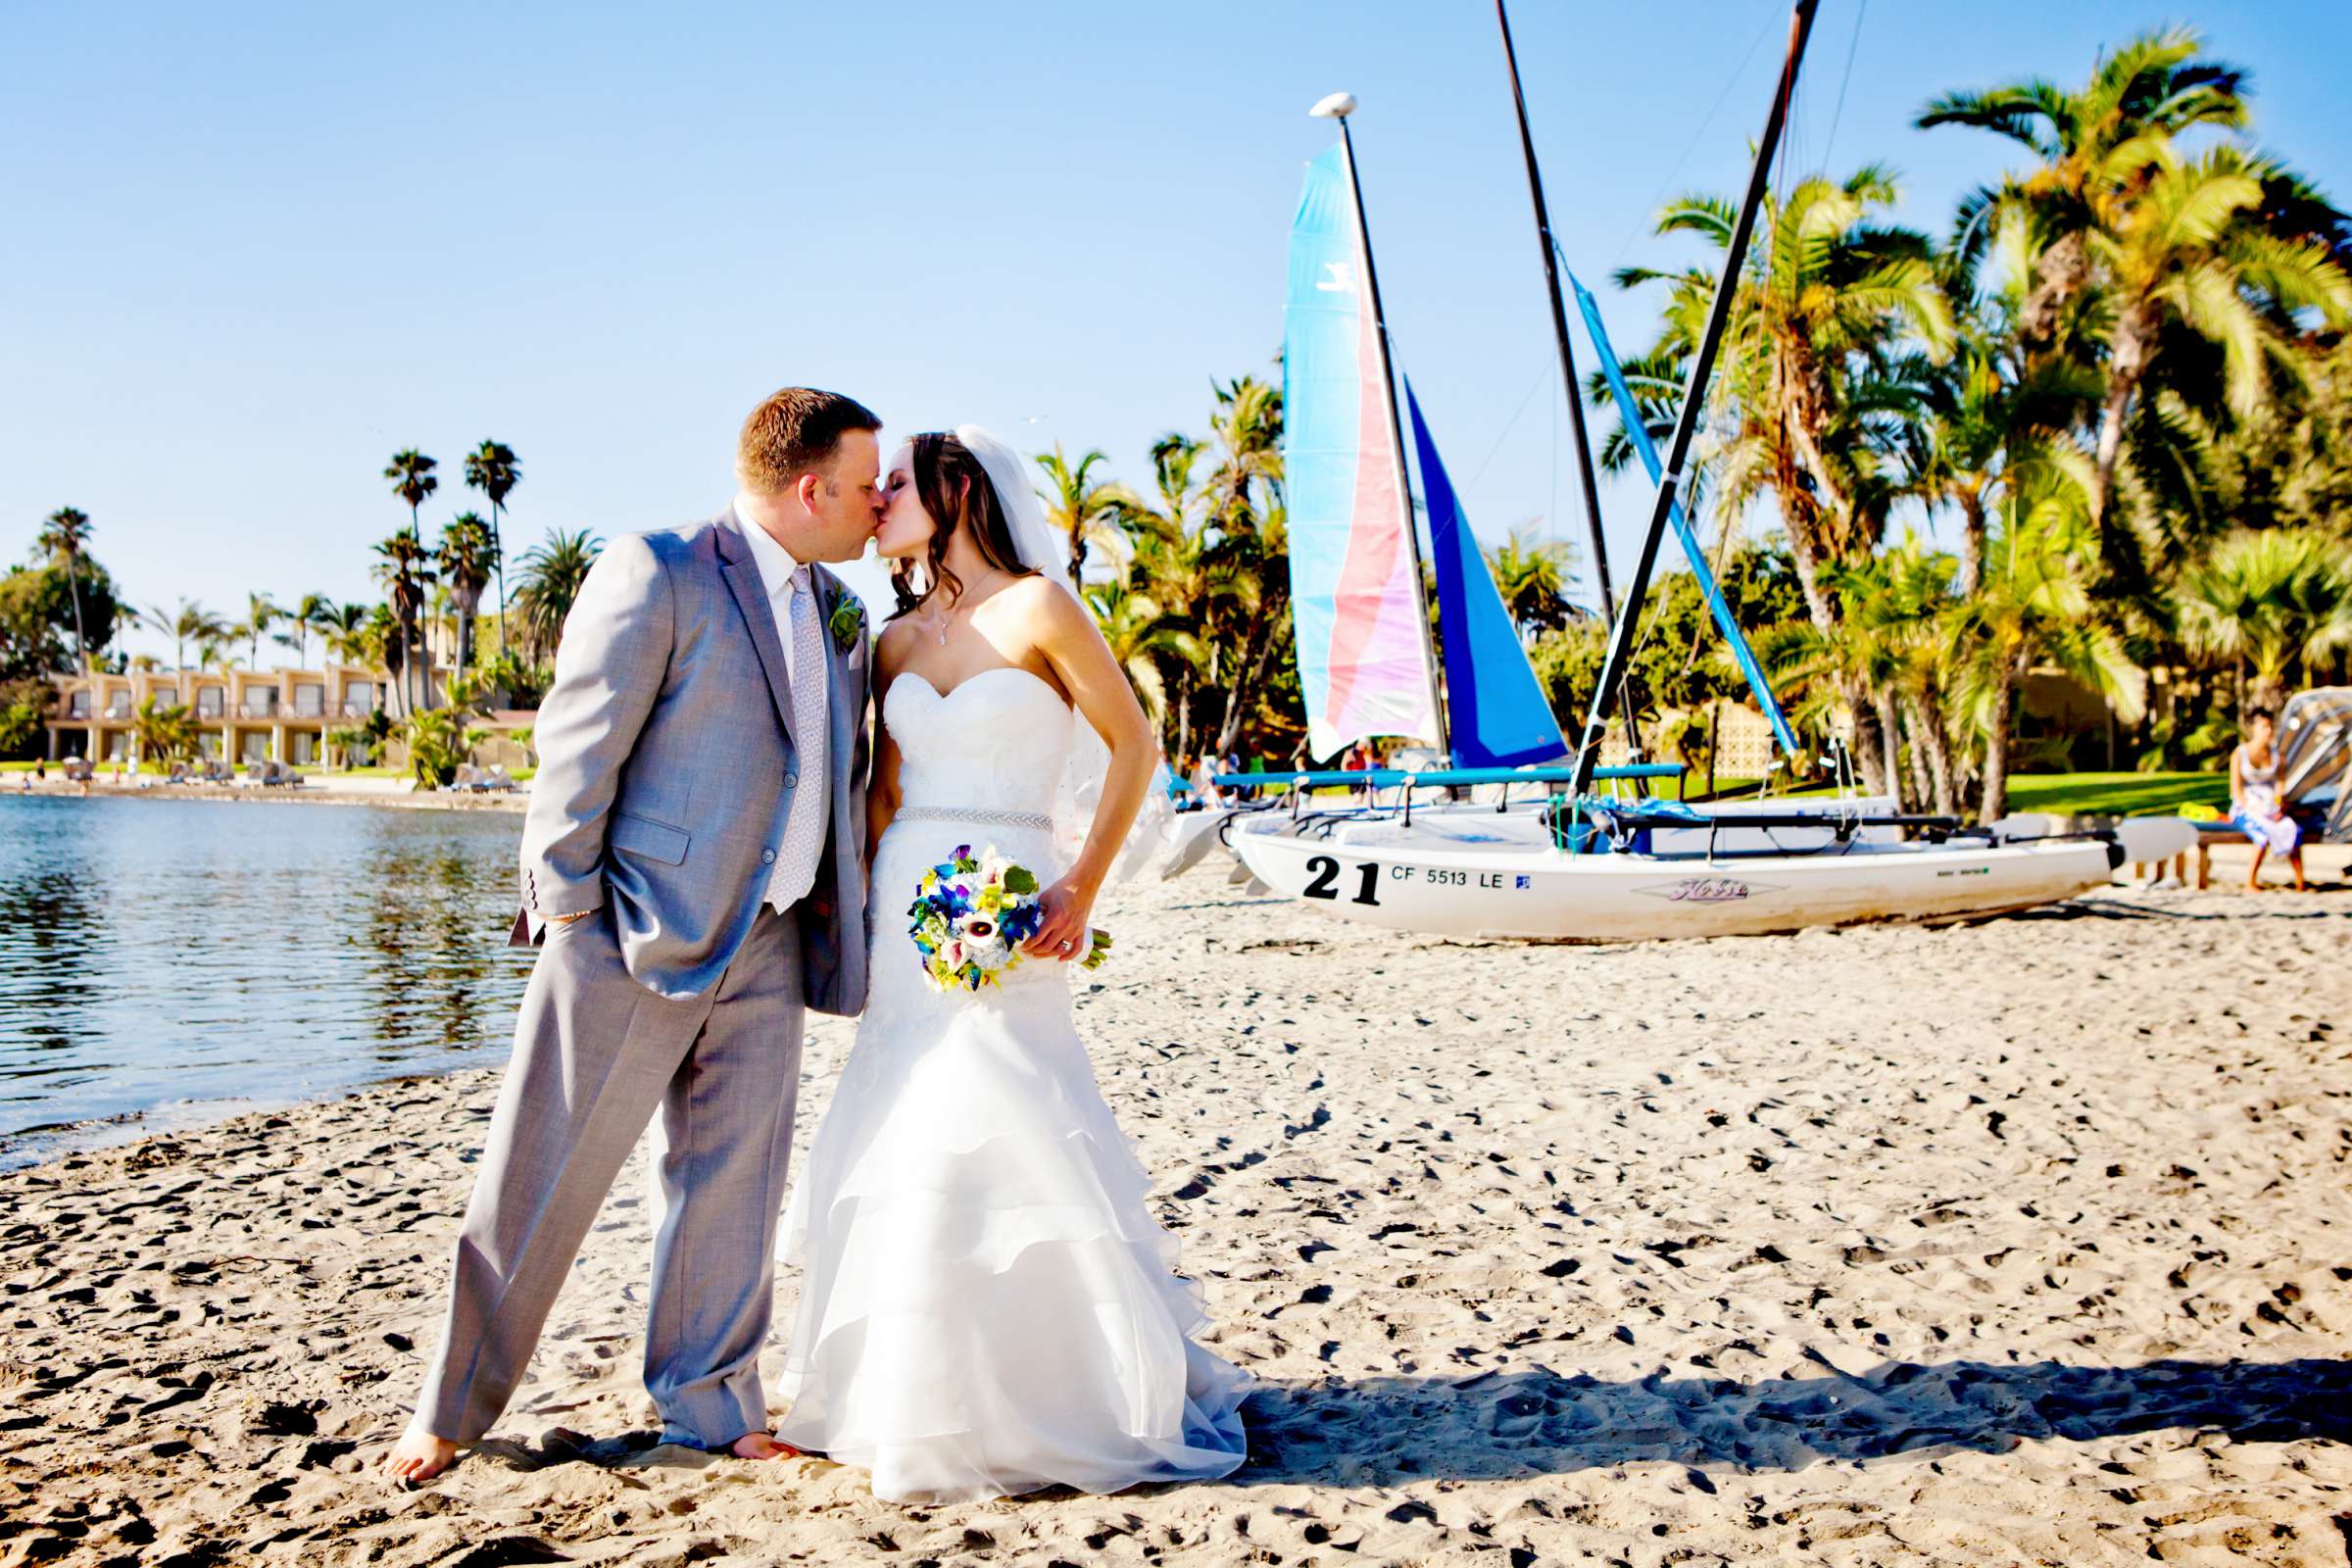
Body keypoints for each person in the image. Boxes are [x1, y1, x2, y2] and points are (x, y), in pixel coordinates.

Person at [382, 387, 884, 1485]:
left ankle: (707, 1406)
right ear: (811, 487)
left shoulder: (841, 610)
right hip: (629, 932)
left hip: (770, 941)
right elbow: (579, 743)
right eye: (865, 482)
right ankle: (451, 1410)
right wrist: (567, 909)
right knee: (540, 1176)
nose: (876, 501)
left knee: (731, 1191)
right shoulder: (660, 568)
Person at [772, 426, 1248, 1502]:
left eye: (897, 482)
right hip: (910, 901)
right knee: (901, 1114)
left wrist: (1081, 882)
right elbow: (882, 793)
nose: (878, 497)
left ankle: (1048, 1389)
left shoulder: (1040, 607)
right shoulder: (890, 641)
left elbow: (1135, 744)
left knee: (1007, 1110)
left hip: (1021, 892)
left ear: (956, 490)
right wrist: (859, 912)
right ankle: (896, 1395)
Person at [2230, 706, 2308, 892]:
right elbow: (2236, 790)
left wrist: (2278, 806)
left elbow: (2280, 784)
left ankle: (2300, 881)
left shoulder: (2277, 756)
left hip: (2270, 805)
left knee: (2292, 830)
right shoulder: (2239, 754)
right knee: (2262, 835)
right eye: (2264, 727)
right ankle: (2250, 881)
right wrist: (2253, 808)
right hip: (2247, 806)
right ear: (2253, 729)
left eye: (2270, 727)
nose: (2269, 731)